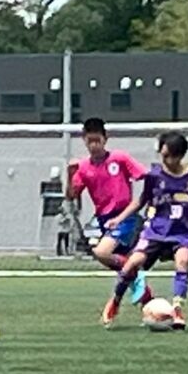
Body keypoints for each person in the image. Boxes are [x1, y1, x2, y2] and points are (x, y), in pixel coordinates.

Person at [101, 131, 188, 330]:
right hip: (155, 231)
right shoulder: (154, 176)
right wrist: (118, 219)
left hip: (181, 233)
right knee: (132, 264)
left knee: (182, 262)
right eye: (162, 155)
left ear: (179, 156)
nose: (164, 160)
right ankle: (115, 301)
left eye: (168, 156)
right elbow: (141, 201)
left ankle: (178, 310)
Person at [66, 117, 150, 305]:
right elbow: (71, 195)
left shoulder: (119, 158)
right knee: (116, 262)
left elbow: (144, 175)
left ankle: (136, 277)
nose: (94, 146)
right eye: (90, 141)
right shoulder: (83, 167)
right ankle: (148, 299)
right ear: (84, 140)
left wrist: (146, 201)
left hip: (124, 217)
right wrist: (70, 174)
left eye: (98, 140)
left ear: (106, 139)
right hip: (104, 220)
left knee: (101, 252)